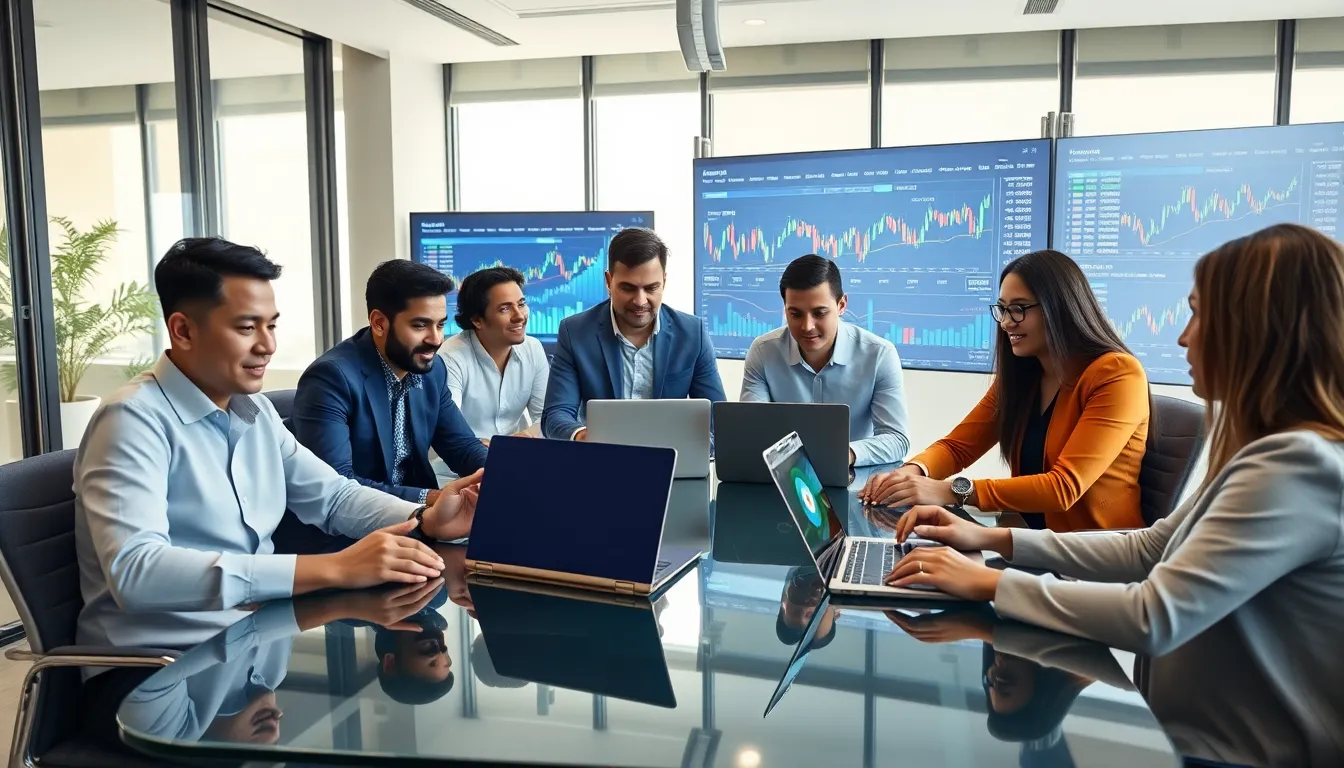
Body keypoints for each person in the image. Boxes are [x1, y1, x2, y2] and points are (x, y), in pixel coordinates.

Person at [883, 223, 1344, 767]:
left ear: (1258, 328)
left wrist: (987, 579)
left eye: (1200, 313)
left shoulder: (1299, 465)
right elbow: (1147, 549)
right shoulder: (1263, 452)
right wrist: (989, 537)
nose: (1183, 337)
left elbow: (1153, 615)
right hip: (1191, 734)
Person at [74, 238, 480, 740]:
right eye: (246, 327)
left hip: (250, 644)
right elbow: (137, 573)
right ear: (182, 329)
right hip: (154, 672)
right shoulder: (133, 420)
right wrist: (334, 568)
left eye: (271, 326)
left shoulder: (254, 411)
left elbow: (332, 496)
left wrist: (425, 517)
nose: (267, 345)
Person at [859, 249, 1150, 532]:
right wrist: (912, 473)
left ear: (1059, 308)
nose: (1007, 322)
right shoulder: (1024, 374)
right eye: (1003, 309)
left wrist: (952, 491)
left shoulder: (1118, 375)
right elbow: (958, 447)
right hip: (1027, 541)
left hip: (1096, 557)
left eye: (1020, 309)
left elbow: (1063, 488)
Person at [292, 259, 487, 507]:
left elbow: (462, 446)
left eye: (440, 325)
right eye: (420, 325)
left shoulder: (431, 369)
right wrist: (431, 499)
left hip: (418, 519)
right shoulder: (331, 378)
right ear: (379, 323)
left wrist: (503, 476)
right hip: (350, 527)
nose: (436, 339)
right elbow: (337, 484)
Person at [541, 227, 727, 440]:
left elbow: (717, 420)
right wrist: (583, 436)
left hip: (674, 460)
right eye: (628, 288)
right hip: (603, 456)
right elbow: (555, 415)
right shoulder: (575, 333)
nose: (640, 301)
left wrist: (697, 447)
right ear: (609, 281)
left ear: (664, 282)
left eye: (651, 288)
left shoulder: (694, 334)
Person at [741, 254, 910, 467]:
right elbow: (750, 432)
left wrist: (843, 454)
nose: (807, 326)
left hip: (854, 480)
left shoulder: (879, 355)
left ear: (841, 305)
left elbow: (897, 439)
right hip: (785, 479)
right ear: (785, 309)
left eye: (819, 313)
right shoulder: (763, 351)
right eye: (795, 314)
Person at [439, 266, 549, 443]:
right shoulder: (450, 357)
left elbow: (545, 416)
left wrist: (524, 438)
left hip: (516, 456)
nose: (519, 316)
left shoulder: (533, 348)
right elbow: (450, 430)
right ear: (477, 320)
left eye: (521, 304)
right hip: (459, 465)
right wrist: (500, 448)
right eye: (505, 309)